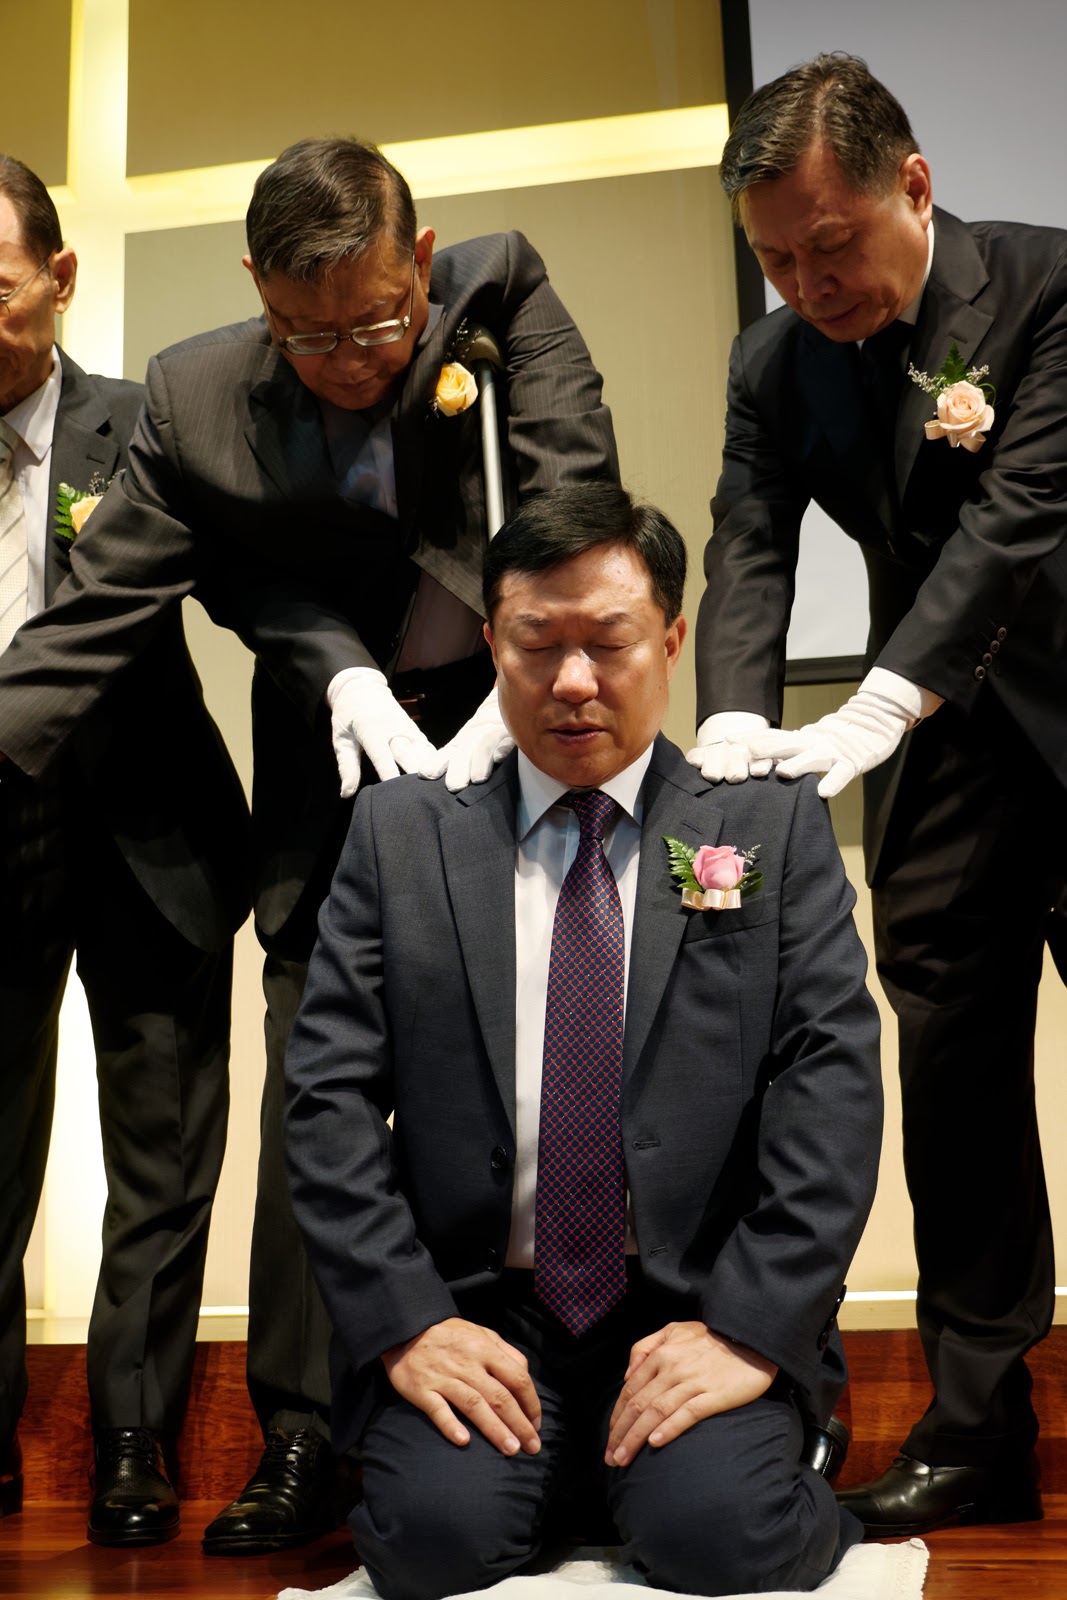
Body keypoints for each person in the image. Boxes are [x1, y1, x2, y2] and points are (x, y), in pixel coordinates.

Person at [0, 137, 619, 1553]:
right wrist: (339, 672)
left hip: (520, 716)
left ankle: (570, 1395)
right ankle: (297, 1433)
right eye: (307, 333)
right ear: (256, 291)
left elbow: (571, 500)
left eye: (376, 325)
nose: (348, 360)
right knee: (314, 1080)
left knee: (545, 1049)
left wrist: (514, 680)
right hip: (330, 749)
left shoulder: (500, 296)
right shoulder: (197, 395)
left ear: (421, 260)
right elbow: (99, 613)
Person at [284, 481, 883, 1599]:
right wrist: (409, 1325)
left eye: (608, 643)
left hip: (693, 1302)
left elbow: (830, 1095)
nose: (570, 681)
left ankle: (712, 1462)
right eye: (535, 643)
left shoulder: (767, 825)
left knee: (721, 1538)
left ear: (670, 642)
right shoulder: (399, 833)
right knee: (426, 1544)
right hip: (479, 1307)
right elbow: (327, 1100)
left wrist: (748, 1331)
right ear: (490, 644)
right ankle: (568, 1477)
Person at [687, 53, 1067, 1536]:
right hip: (955, 759)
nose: (805, 285)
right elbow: (747, 541)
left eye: (827, 247)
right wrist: (731, 714)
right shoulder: (770, 364)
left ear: (910, 184)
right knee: (954, 1083)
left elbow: (1016, 520)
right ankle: (977, 1425)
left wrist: (878, 700)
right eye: (773, 260)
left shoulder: (1043, 289)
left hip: (1010, 692)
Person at [0, 156, 250, 1544]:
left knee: (161, 1152)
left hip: (148, 829)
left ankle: (135, 1436)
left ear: (58, 278)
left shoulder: (143, 424)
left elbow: (252, 583)